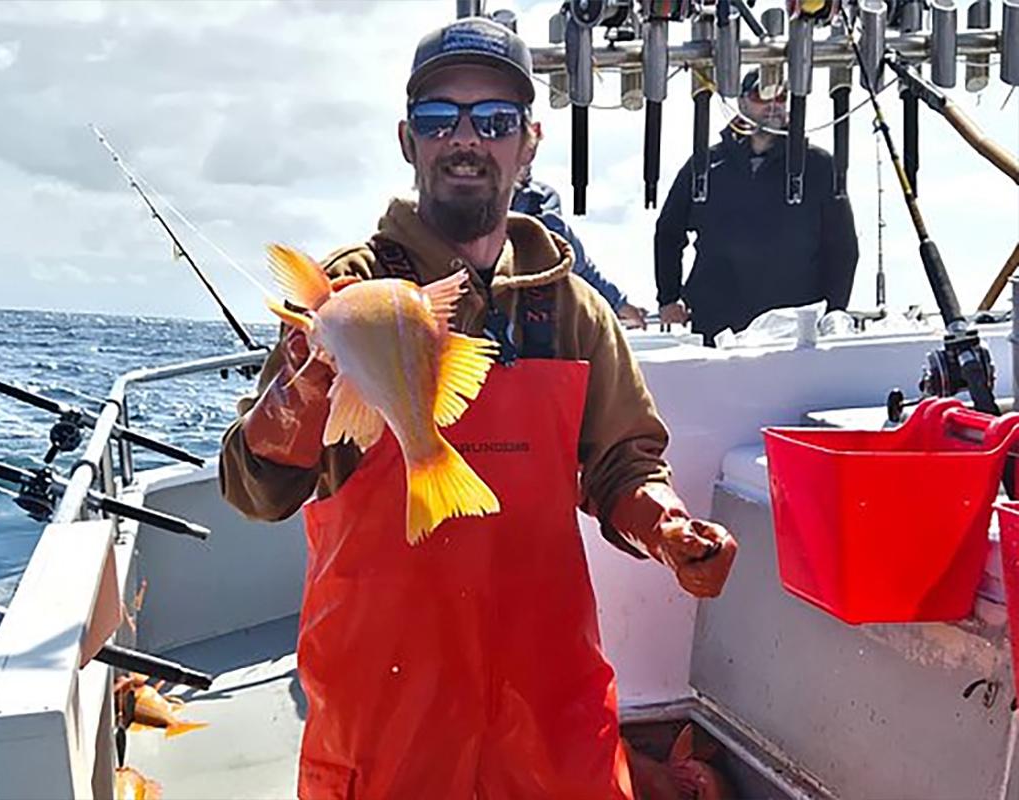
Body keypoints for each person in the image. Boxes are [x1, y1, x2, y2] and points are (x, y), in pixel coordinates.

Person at [220, 17, 736, 800]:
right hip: (386, 712)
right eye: (440, 118)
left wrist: (666, 528)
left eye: (493, 120)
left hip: (551, 709)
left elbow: (623, 463)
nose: (466, 138)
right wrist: (305, 386)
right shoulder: (349, 288)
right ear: (409, 140)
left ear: (527, 144)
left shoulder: (570, 309)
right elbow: (256, 492)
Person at [655, 70, 859, 345]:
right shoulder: (705, 165)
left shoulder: (819, 166)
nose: (773, 103)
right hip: (716, 328)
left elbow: (843, 248)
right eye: (761, 95)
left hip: (794, 332)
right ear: (741, 103)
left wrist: (834, 312)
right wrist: (669, 297)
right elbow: (668, 233)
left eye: (782, 95)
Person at [511, 166, 649, 329]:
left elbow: (575, 263)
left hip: (531, 315)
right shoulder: (474, 196)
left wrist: (617, 303)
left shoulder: (543, 199)